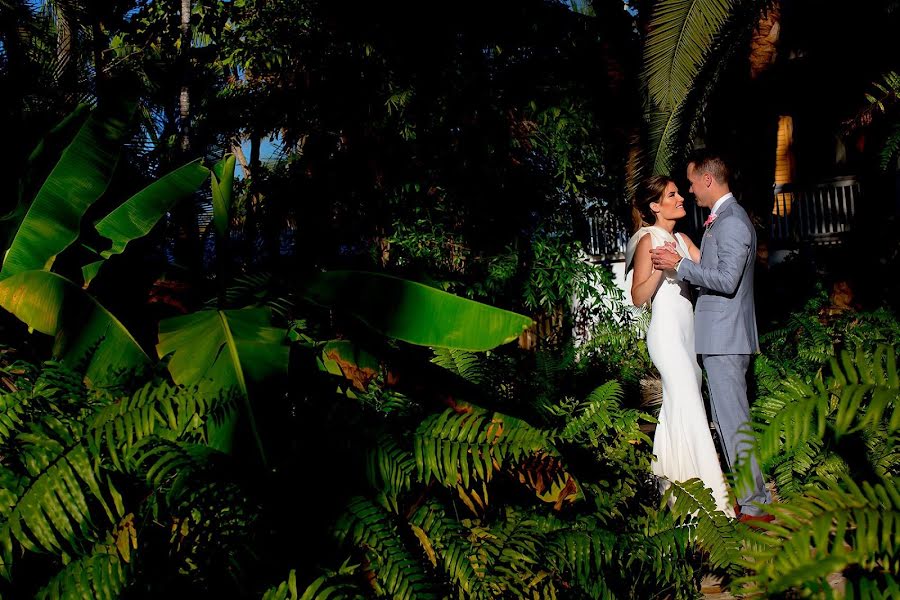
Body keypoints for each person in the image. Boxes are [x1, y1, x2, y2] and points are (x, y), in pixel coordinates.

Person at [650, 151, 773, 524]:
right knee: (729, 422)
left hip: (726, 338)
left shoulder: (732, 221)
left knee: (735, 422)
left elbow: (726, 280)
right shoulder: (720, 220)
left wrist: (681, 265)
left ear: (707, 180)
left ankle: (756, 504)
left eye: (691, 183)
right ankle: (750, 499)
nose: (689, 190)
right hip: (718, 338)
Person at [626, 174, 731, 515]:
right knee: (690, 406)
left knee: (677, 411)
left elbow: (713, 272)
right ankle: (715, 502)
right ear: (656, 206)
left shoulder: (684, 238)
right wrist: (659, 267)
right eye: (672, 194)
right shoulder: (648, 240)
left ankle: (673, 495)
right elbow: (638, 296)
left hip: (689, 336)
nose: (681, 198)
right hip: (666, 336)